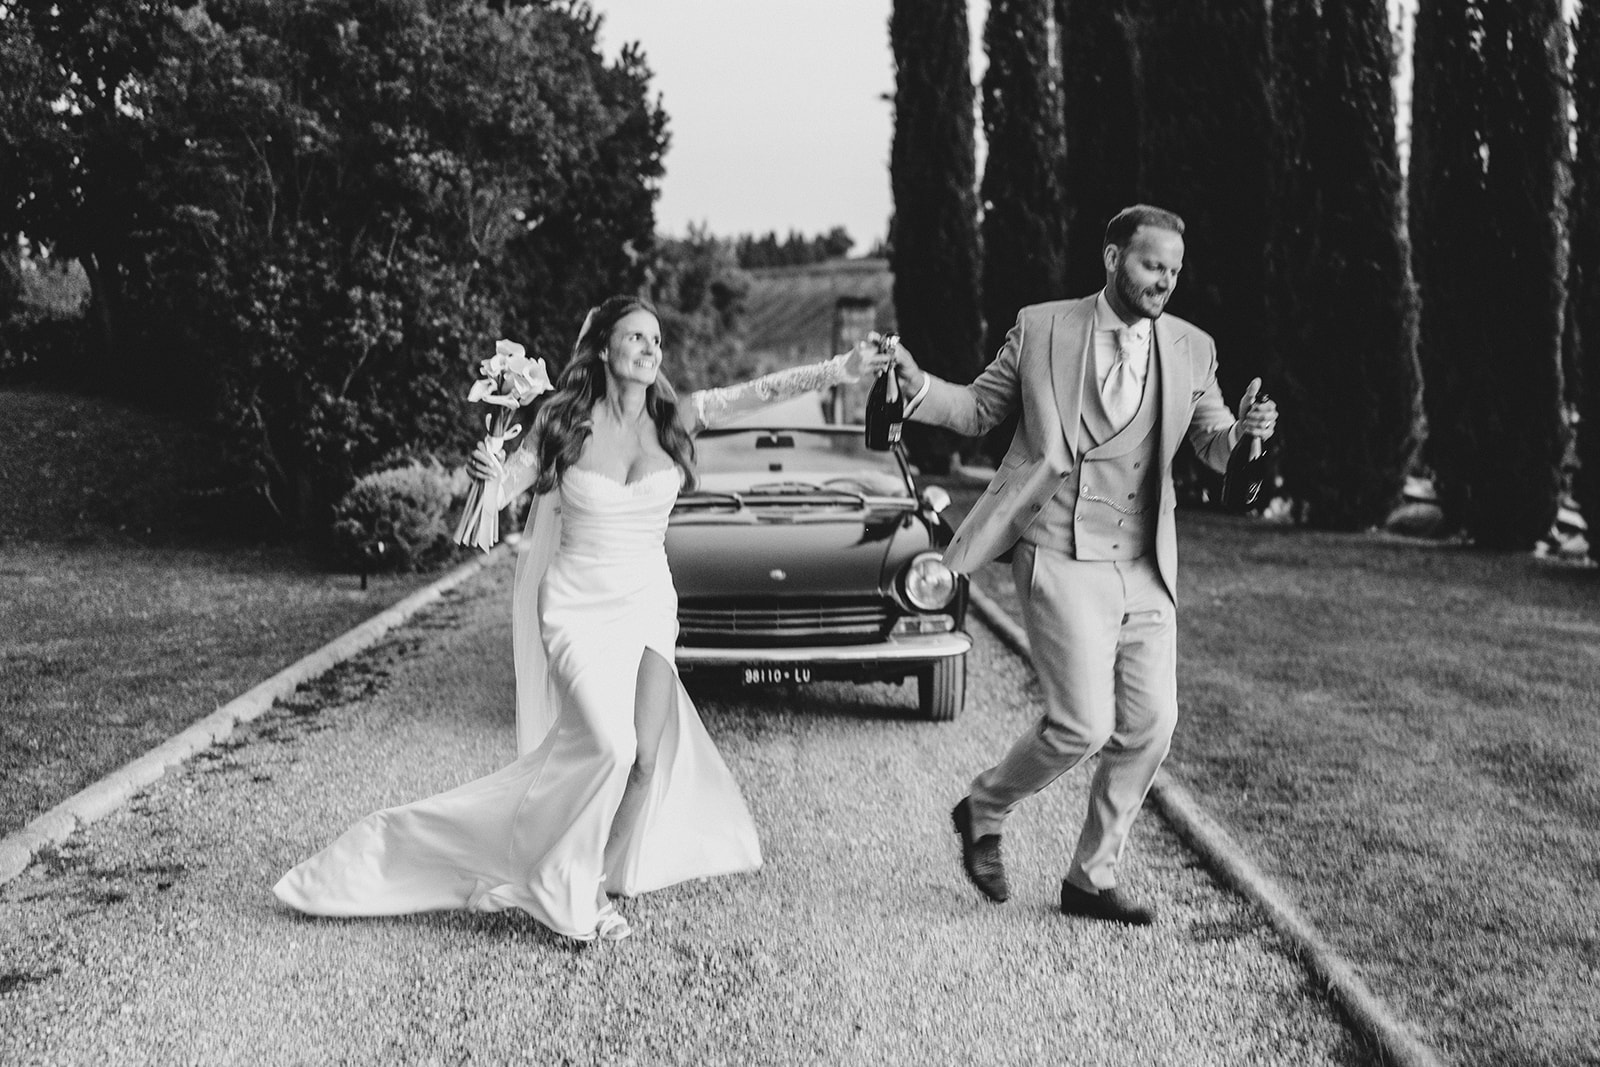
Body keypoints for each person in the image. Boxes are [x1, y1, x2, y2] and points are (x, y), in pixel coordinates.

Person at [274, 295, 894, 943]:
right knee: (608, 743)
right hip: (576, 603)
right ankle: (449, 854)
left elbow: (760, 391)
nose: (650, 349)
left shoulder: (677, 417)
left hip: (649, 600)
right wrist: (486, 472)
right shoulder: (562, 422)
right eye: (636, 337)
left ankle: (591, 884)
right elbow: (502, 494)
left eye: (656, 339)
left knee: (644, 759)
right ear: (603, 348)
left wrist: (841, 369)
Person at [887, 205, 1278, 926]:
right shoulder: (1042, 328)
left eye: (1173, 270)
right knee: (1082, 724)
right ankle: (985, 806)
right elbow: (976, 409)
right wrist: (916, 387)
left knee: (1153, 724)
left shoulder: (1193, 347)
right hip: (1060, 552)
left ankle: (1091, 878)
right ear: (1112, 258)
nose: (1164, 281)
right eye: (1151, 265)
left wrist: (1247, 436)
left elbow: (1213, 445)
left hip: (1146, 562)